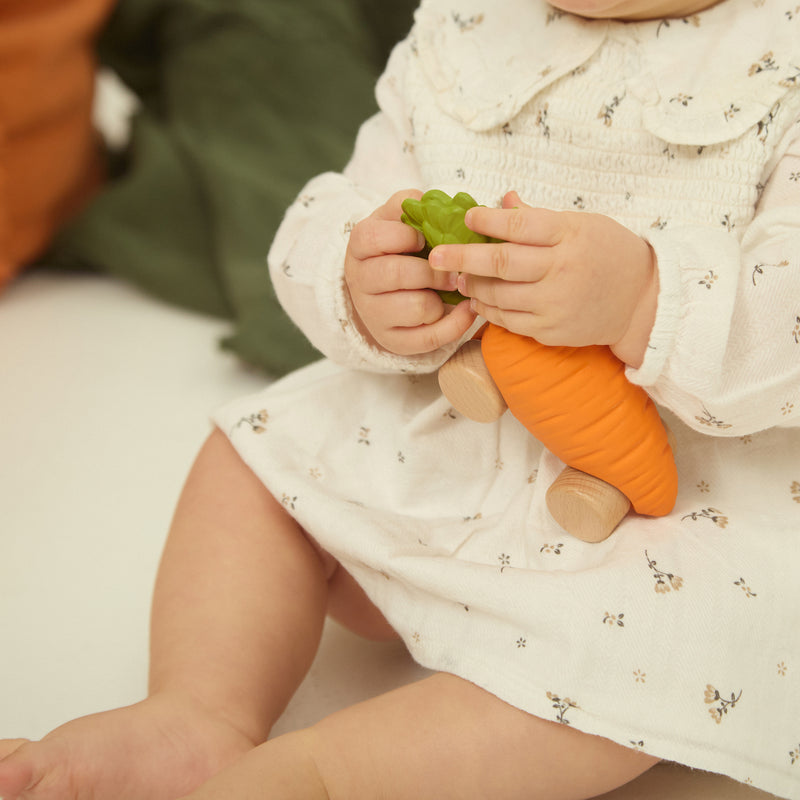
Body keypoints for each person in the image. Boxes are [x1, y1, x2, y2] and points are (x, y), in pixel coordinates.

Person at [1, 0, 798, 798]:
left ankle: (329, 776)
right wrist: (362, 280)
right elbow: (345, 207)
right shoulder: (467, 30)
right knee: (251, 467)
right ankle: (199, 711)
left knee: (676, 641)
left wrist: (645, 300)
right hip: (453, 430)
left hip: (669, 492)